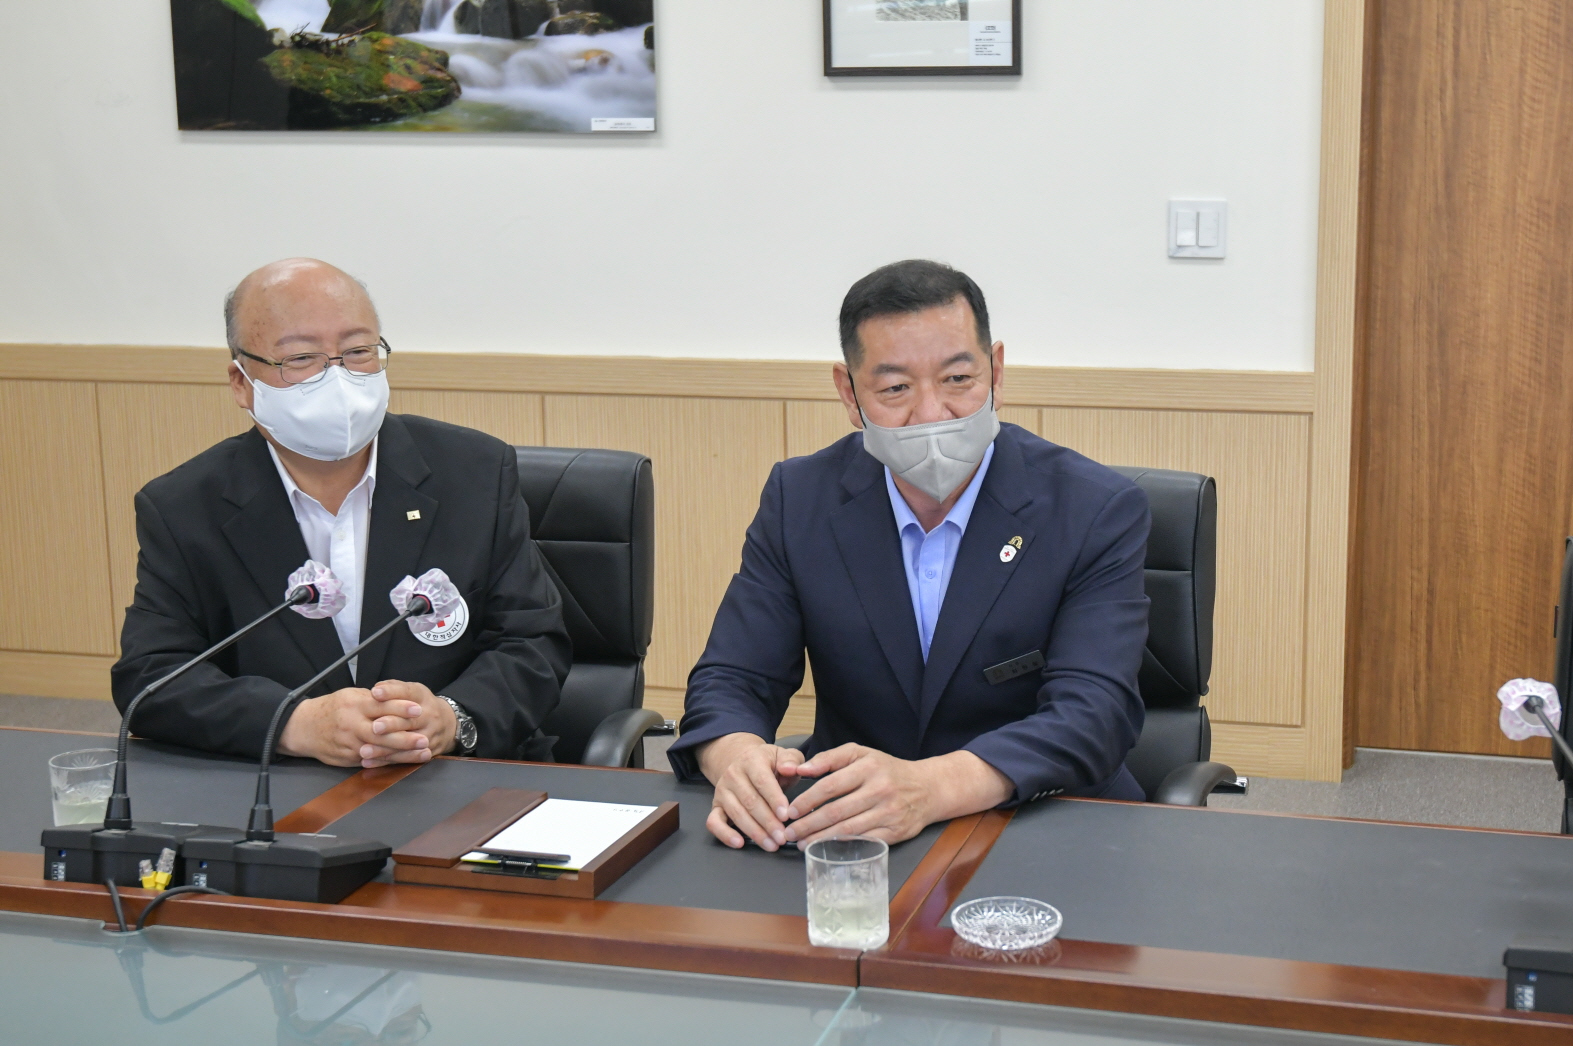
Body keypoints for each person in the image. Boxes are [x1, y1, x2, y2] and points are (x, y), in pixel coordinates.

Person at [668, 260, 1151, 850]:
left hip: (1046, 824)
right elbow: (733, 676)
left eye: (958, 380)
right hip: (851, 833)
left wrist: (930, 787)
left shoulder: (1093, 508)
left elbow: (1094, 713)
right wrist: (735, 755)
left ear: (996, 372)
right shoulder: (801, 499)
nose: (931, 414)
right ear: (849, 394)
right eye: (895, 389)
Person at [111, 258, 570, 767]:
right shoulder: (184, 508)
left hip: (462, 774)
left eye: (357, 352)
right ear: (241, 383)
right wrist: (293, 723)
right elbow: (151, 677)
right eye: (301, 358)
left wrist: (452, 717)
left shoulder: (475, 472)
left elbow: (533, 640)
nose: (338, 377)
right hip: (281, 786)